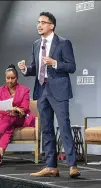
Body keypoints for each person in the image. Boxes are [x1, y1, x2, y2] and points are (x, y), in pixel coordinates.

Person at [17, 12, 80, 178]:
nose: (39, 25)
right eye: (38, 22)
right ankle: (51, 166)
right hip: (42, 90)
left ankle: (72, 165)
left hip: (59, 91)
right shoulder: (36, 44)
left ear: (51, 25)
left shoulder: (63, 43)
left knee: (64, 127)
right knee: (46, 129)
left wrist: (55, 63)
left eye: (43, 22)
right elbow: (35, 68)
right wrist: (25, 69)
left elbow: (71, 66)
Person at [0, 64, 35, 166]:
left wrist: (16, 110)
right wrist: (10, 110)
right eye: (8, 78)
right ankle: (0, 154)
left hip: (21, 118)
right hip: (6, 117)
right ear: (5, 78)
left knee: (9, 118)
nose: (10, 81)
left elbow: (25, 108)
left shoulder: (24, 90)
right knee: (8, 126)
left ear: (17, 78)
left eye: (12, 78)